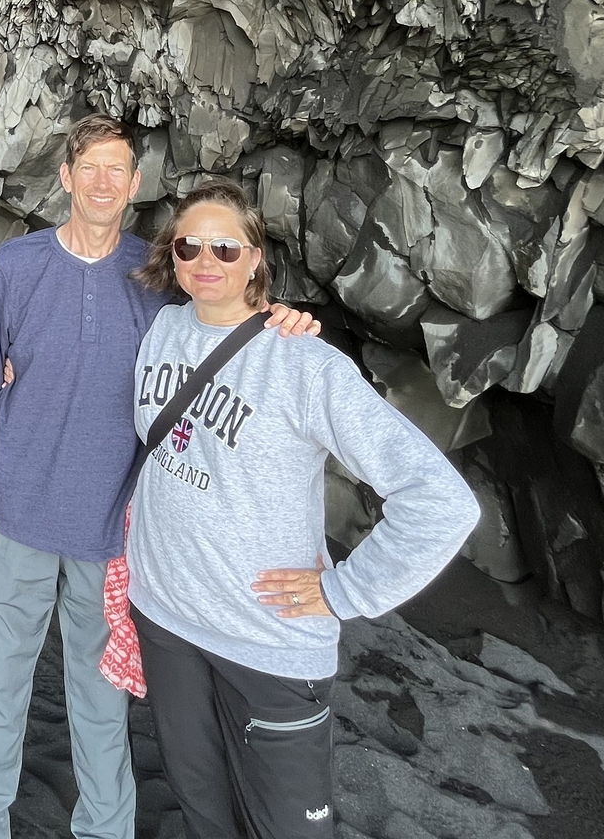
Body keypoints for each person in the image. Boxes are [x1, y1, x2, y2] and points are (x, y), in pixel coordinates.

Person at [0, 117, 320, 839]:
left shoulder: (154, 275)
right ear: (66, 177)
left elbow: (220, 313)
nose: (102, 182)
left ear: (134, 184)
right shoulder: (17, 266)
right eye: (88, 167)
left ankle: (105, 831)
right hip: (16, 516)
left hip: (111, 529)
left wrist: (280, 317)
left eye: (115, 169)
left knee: (100, 703)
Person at [125, 178, 479, 839]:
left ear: (256, 259)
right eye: (188, 246)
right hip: (165, 619)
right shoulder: (163, 328)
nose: (205, 261)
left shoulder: (305, 365)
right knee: (202, 808)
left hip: (266, 643)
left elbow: (440, 501)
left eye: (226, 249)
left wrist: (345, 591)